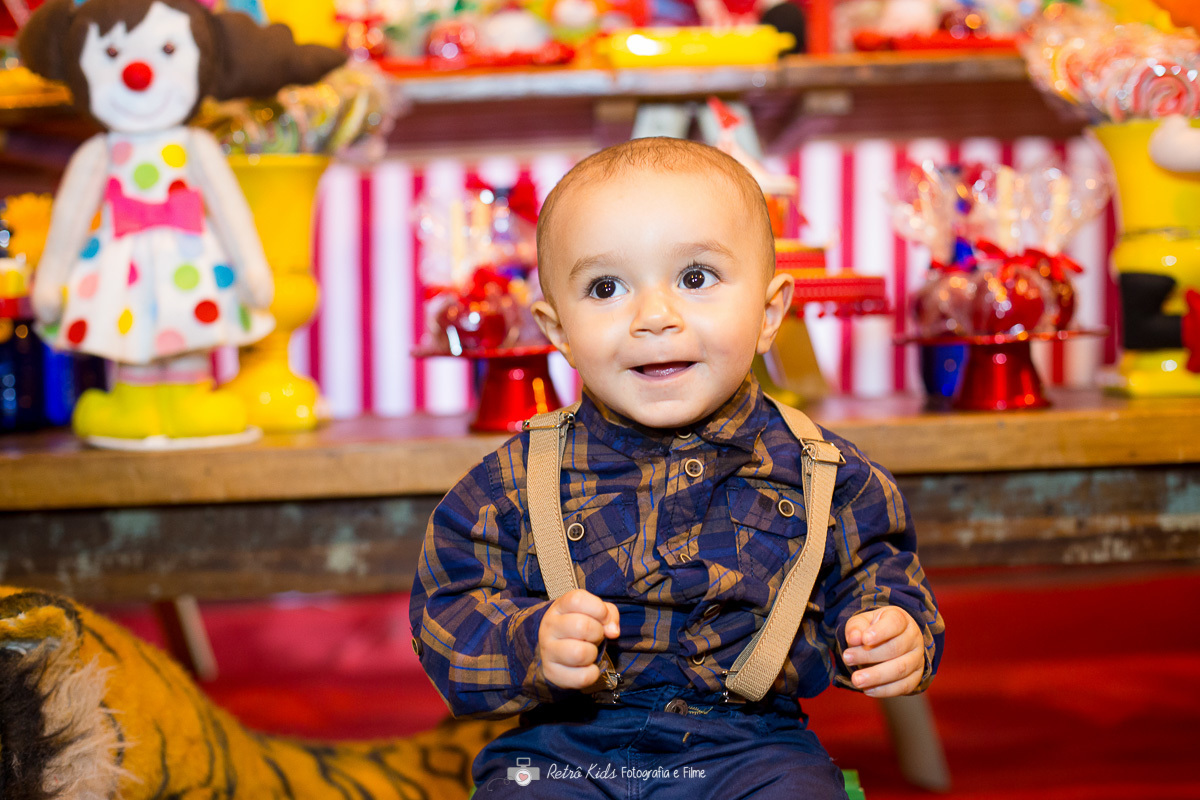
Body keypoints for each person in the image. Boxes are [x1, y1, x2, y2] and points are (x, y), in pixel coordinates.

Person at [409, 137, 945, 799]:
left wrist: (892, 632)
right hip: (565, 748)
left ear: (771, 311)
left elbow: (877, 574)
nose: (654, 317)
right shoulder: (516, 482)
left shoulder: (825, 474)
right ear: (557, 332)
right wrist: (532, 642)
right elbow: (450, 610)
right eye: (606, 288)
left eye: (695, 278)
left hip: (751, 746)